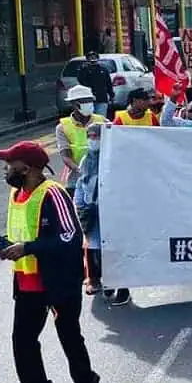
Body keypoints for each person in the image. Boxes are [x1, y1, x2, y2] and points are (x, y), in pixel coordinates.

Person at [0, 141, 101, 383]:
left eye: (10, 164)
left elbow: (69, 237)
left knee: (69, 336)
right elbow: (22, 234)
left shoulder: (53, 193)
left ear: (27, 168)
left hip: (59, 281)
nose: (5, 169)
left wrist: (27, 248)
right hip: (27, 282)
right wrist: (10, 248)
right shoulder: (16, 194)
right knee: (23, 340)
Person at [72, 123, 130, 306]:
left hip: (113, 213)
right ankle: (106, 280)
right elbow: (81, 183)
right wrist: (80, 205)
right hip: (92, 212)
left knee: (116, 250)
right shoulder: (86, 160)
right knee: (96, 250)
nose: (93, 140)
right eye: (90, 136)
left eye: (97, 136)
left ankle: (123, 287)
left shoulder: (117, 158)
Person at [57, 85, 107, 196]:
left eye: (90, 101)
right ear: (74, 104)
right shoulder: (62, 127)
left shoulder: (102, 121)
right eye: (84, 101)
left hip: (101, 179)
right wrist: (80, 170)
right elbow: (65, 155)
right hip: (75, 180)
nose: (89, 104)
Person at [76, 51, 114, 116]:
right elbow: (81, 81)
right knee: (89, 117)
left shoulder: (103, 69)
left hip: (102, 98)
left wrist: (111, 95)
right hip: (88, 100)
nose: (92, 59)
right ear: (87, 59)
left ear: (97, 58)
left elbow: (108, 83)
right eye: (90, 58)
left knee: (101, 117)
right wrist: (85, 68)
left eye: (94, 57)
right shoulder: (84, 70)